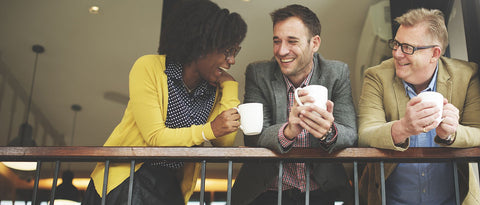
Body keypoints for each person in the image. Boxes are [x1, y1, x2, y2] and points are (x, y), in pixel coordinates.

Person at [81, 0, 247, 204]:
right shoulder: (149, 67)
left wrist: (230, 88)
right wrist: (208, 130)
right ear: (202, 46)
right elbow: (155, 137)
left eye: (235, 52)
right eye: (227, 51)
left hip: (169, 184)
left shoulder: (212, 88)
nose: (232, 60)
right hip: (128, 178)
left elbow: (224, 141)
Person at [232, 4, 357, 205]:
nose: (281, 51)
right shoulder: (258, 73)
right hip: (266, 191)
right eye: (276, 41)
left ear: (314, 43)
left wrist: (329, 132)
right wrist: (287, 132)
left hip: (321, 191)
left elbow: (351, 133)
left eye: (292, 41)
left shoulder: (336, 73)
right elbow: (253, 136)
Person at [358, 8, 480, 204]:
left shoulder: (466, 75)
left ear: (434, 53)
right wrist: (402, 128)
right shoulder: (376, 76)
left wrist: (451, 134)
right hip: (390, 201)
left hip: (453, 200)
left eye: (407, 47)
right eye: (396, 44)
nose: (397, 53)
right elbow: (365, 133)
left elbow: (478, 131)